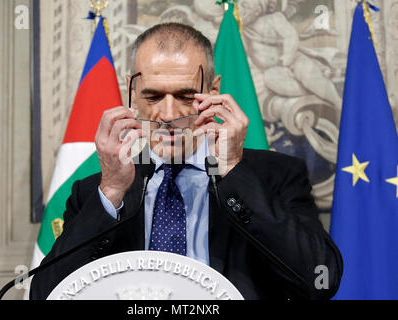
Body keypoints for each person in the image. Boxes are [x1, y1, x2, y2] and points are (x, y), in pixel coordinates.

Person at [30, 23, 342, 300]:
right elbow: (44, 295)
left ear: (214, 91)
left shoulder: (277, 175)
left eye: (186, 96)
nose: (168, 115)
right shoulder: (95, 191)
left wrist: (233, 172)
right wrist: (111, 192)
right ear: (132, 90)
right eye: (152, 96)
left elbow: (319, 280)